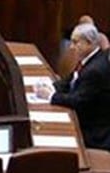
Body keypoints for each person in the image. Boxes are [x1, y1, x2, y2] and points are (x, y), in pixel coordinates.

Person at [37, 21, 110, 149]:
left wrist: (52, 96)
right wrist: (52, 86)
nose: (71, 47)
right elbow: (71, 79)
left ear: (89, 43)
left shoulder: (95, 70)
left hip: (91, 133)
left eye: (76, 42)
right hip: (82, 118)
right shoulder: (89, 58)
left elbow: (78, 101)